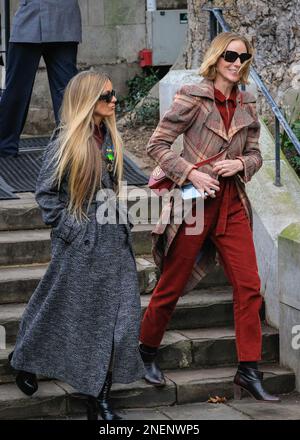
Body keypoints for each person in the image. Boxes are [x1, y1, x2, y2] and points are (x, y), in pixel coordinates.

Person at [139, 32, 280, 402]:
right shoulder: (192, 97)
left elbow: (256, 155)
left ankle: (248, 369)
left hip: (232, 205)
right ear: (216, 58)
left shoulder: (248, 103)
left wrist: (241, 163)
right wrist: (190, 172)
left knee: (249, 287)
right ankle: (146, 351)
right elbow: (157, 143)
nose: (237, 63)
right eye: (230, 56)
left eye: (243, 57)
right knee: (171, 283)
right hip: (193, 207)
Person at [9, 71, 145, 420]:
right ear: (87, 101)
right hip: (81, 243)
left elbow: (110, 191)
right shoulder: (65, 141)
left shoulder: (110, 138)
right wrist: (74, 230)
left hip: (114, 241)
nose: (114, 101)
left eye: (114, 95)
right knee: (59, 310)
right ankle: (24, 360)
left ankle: (98, 398)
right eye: (106, 96)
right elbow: (46, 195)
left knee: (120, 322)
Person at [0, 0, 82, 157]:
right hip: (42, 21)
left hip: (48, 21)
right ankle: (71, 148)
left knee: (66, 93)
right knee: (64, 91)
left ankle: (72, 147)